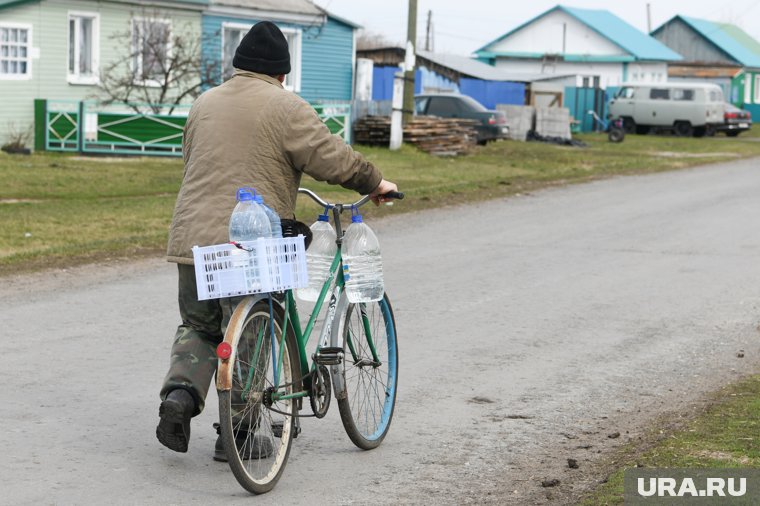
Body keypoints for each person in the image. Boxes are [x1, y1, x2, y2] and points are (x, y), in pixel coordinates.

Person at [156, 21, 398, 458]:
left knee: (200, 326)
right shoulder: (286, 107)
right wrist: (375, 180)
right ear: (281, 73)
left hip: (192, 238)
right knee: (253, 328)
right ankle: (243, 433)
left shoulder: (203, 103)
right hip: (248, 243)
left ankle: (179, 398)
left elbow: (193, 161)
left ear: (239, 65)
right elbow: (331, 158)